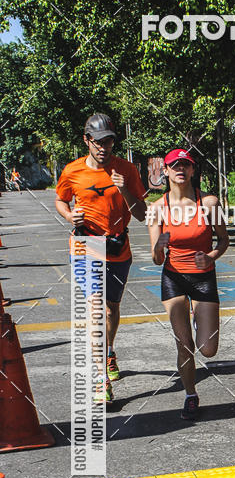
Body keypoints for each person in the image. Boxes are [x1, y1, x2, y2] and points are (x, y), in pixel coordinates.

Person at [55, 113, 147, 401]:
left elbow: (143, 215)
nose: (104, 148)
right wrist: (70, 214)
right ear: (87, 140)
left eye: (109, 142)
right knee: (95, 309)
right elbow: (60, 199)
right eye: (99, 142)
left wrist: (123, 190)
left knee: (111, 309)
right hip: (85, 244)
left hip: (118, 247)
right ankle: (100, 380)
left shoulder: (127, 170)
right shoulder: (72, 171)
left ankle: (108, 351)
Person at [148, 148, 229, 420]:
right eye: (175, 165)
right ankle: (191, 394)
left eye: (186, 165)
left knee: (208, 349)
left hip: (203, 276)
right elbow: (156, 258)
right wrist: (159, 248)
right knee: (184, 344)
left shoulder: (209, 204)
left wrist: (212, 256)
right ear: (166, 172)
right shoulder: (157, 209)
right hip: (174, 278)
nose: (180, 170)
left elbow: (223, 241)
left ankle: (198, 317)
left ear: (193, 170)